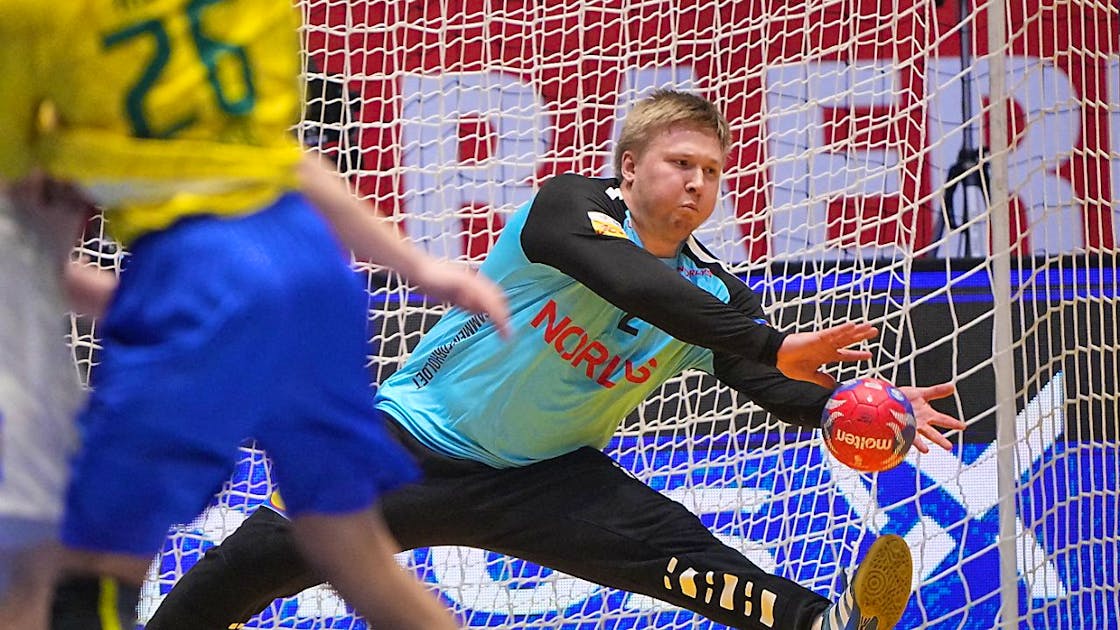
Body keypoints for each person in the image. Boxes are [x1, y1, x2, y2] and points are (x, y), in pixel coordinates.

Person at [145, 88, 965, 630]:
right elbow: (634, 284)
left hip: (544, 479)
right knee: (254, 561)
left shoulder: (715, 290)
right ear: (630, 167)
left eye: (712, 172)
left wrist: (836, 406)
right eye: (680, 164)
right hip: (409, 438)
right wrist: (766, 342)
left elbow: (760, 373)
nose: (697, 185)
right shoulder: (566, 207)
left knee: (675, 550)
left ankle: (825, 623)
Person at [0, 1, 513, 629]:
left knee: (87, 570)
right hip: (313, 268)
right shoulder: (254, 13)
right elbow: (285, 161)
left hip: (199, 277)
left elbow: (21, 231)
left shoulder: (36, 21)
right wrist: (420, 268)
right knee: (352, 548)